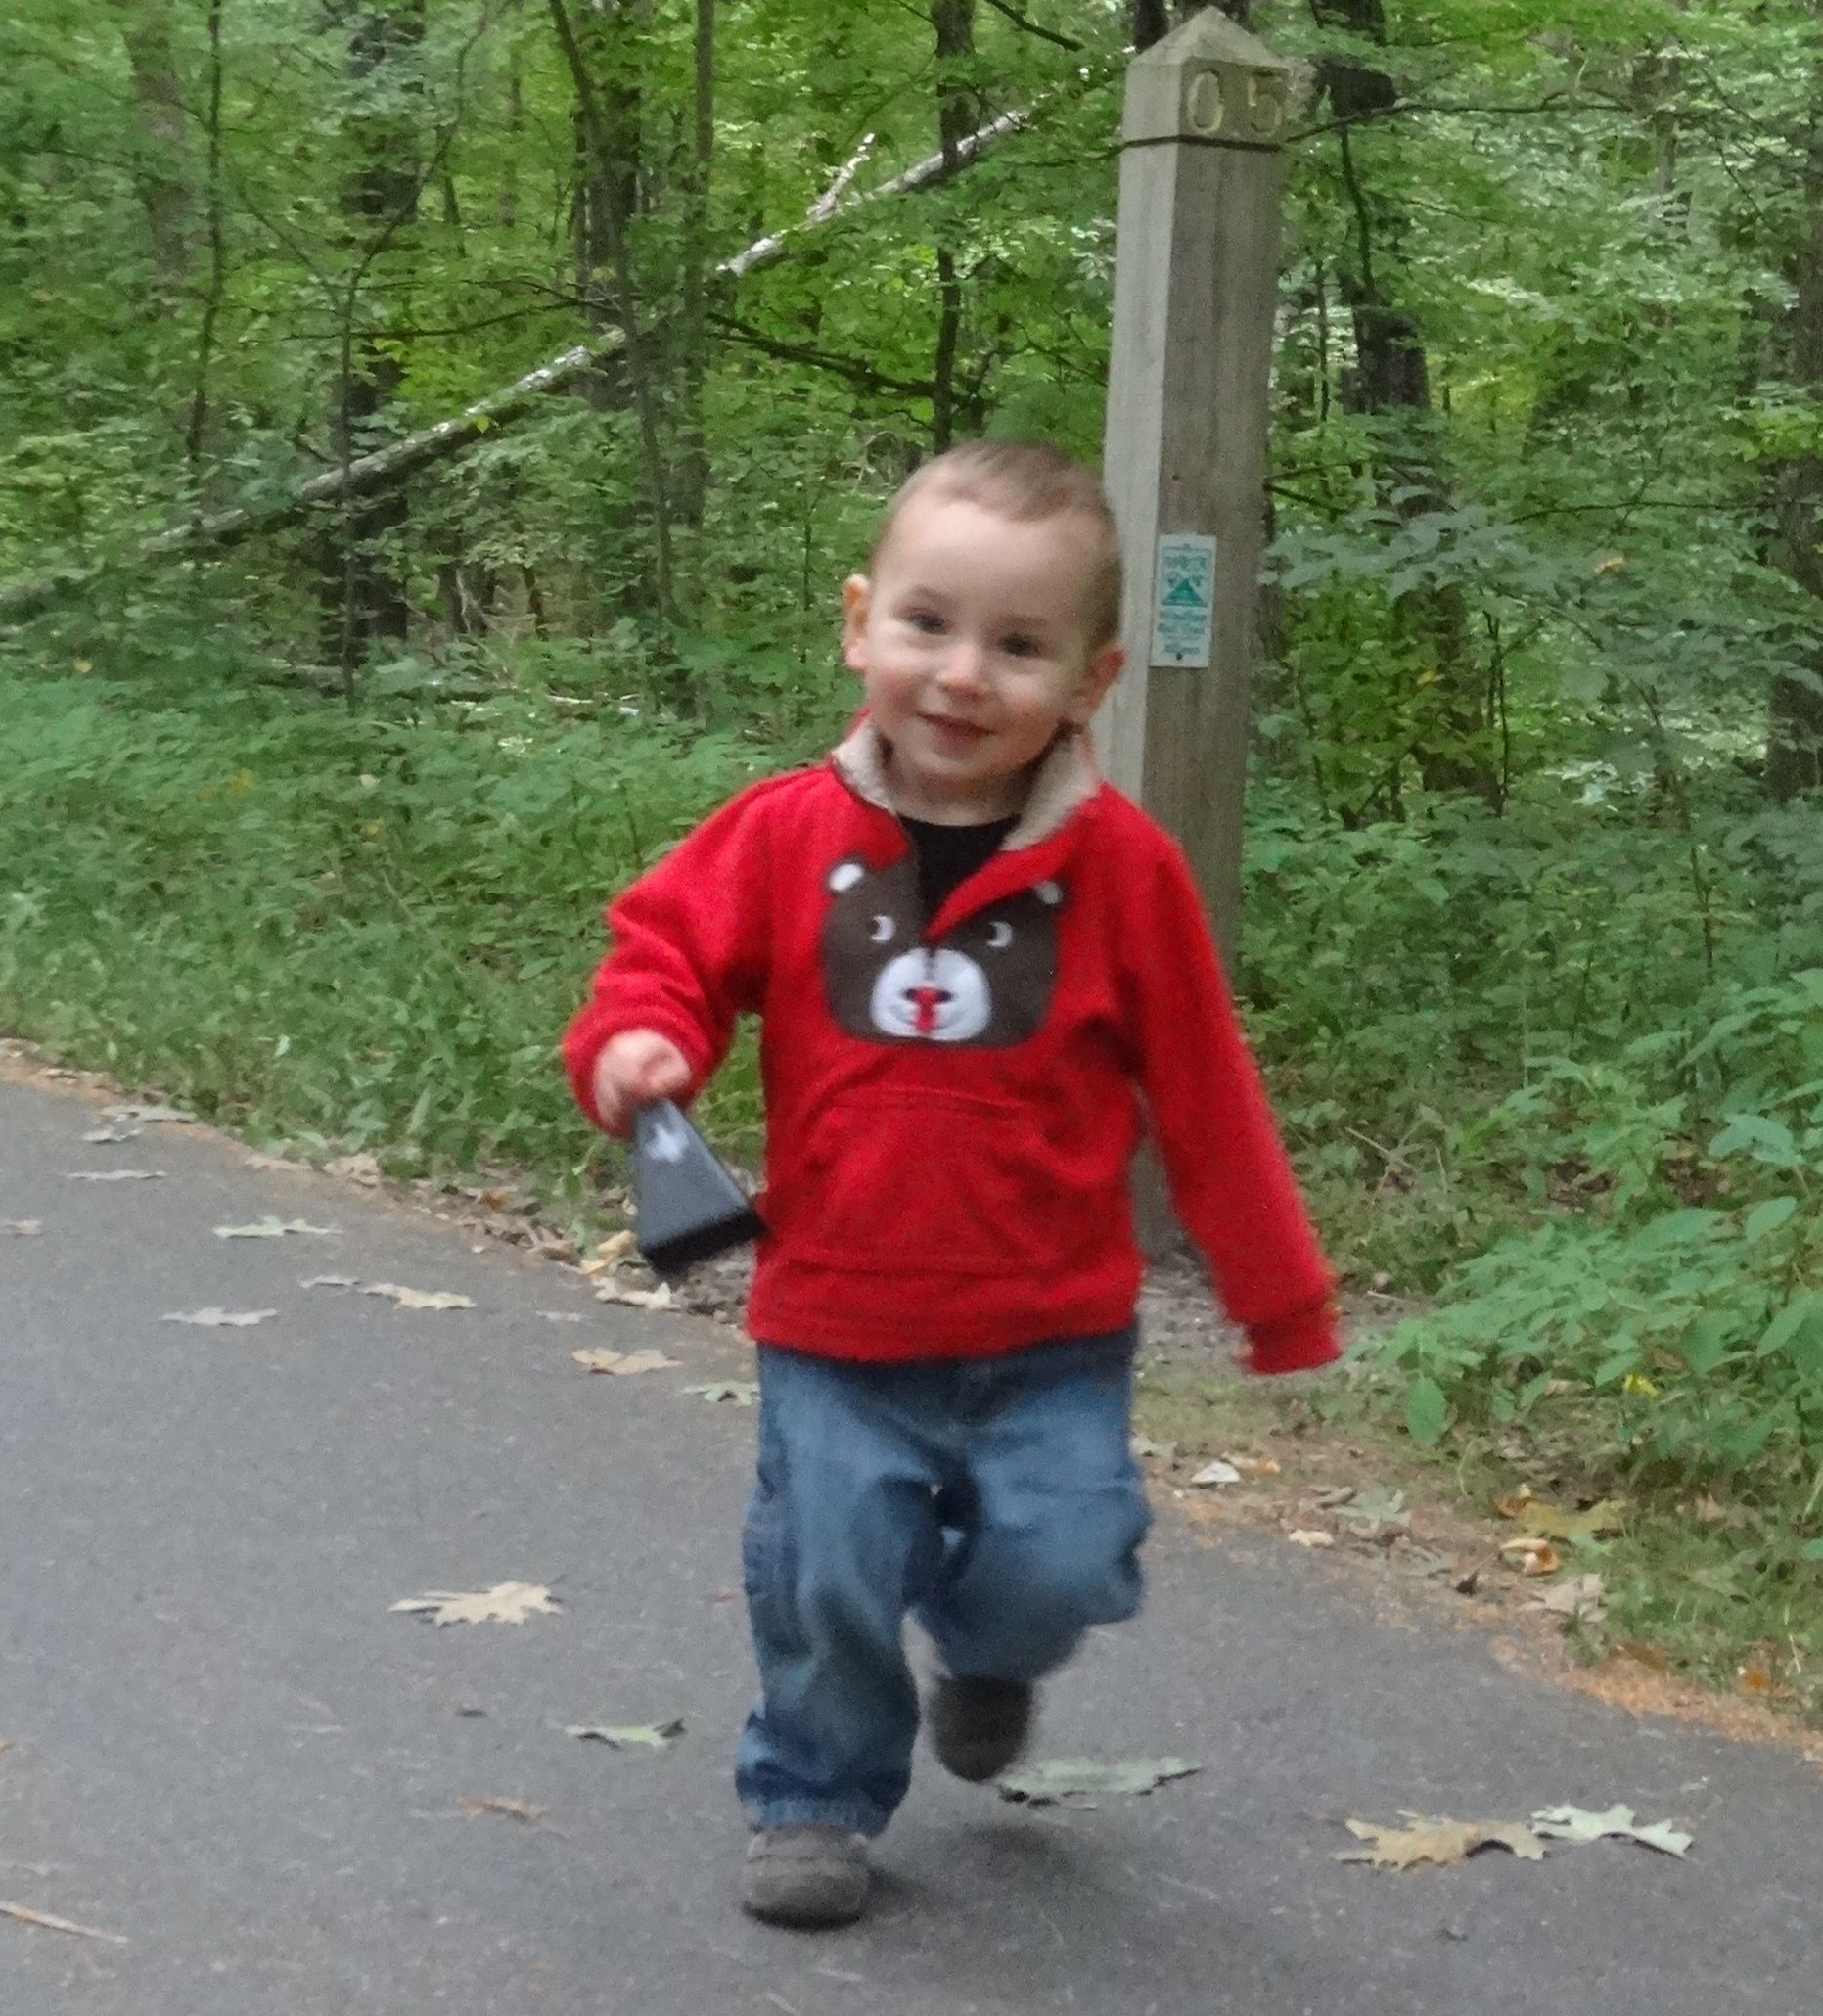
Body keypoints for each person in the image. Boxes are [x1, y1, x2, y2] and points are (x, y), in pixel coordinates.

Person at [564, 437, 1342, 1929]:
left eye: (1018, 644)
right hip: (837, 1317)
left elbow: (1204, 1089)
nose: (963, 674)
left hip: (1051, 1329)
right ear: (860, 623)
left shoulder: (1122, 870)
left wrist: (1279, 1297)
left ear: (1091, 679)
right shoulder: (783, 831)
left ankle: (988, 1655)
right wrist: (639, 1042)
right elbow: (663, 954)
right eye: (927, 623)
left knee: (1065, 1556)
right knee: (827, 1565)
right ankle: (812, 1790)